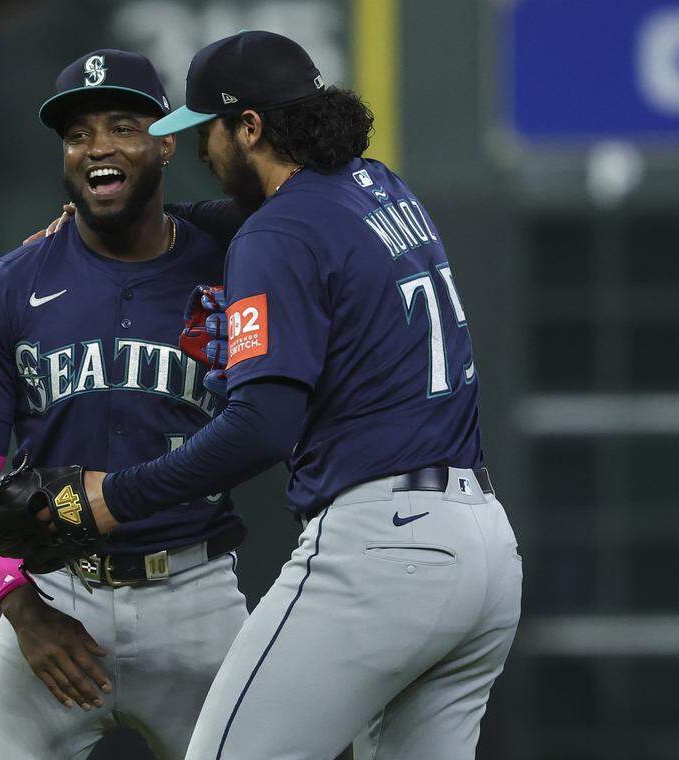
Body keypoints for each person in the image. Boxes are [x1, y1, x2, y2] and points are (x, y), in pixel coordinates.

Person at [50, 31, 523, 759]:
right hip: (484, 548)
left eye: (208, 130)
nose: (202, 153)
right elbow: (257, 220)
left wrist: (119, 496)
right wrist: (102, 225)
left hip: (384, 547)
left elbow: (261, 428)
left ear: (249, 127)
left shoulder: (278, 234)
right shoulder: (380, 186)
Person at [0, 50, 249, 760]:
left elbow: (308, 202)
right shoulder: (8, 287)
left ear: (167, 142)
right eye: (78, 134)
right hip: (55, 593)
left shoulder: (234, 254)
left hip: (195, 593)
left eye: (123, 126)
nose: (98, 146)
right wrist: (22, 610)